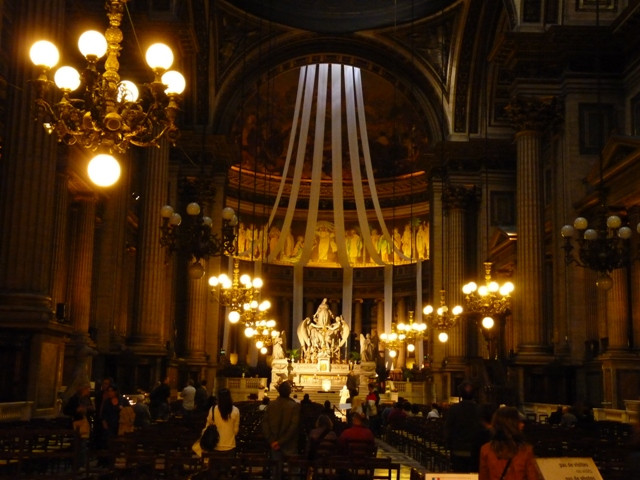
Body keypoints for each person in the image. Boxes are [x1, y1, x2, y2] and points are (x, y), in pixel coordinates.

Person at [479, 406, 542, 480]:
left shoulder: (486, 450)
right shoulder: (525, 451)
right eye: (519, 421)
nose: (522, 424)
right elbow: (533, 477)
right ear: (512, 425)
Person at [444, 380, 485, 473]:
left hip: (458, 449)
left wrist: (449, 445)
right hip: (475, 451)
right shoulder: (480, 410)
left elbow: (448, 429)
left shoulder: (454, 409)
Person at [262, 381, 301, 473]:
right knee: (293, 473)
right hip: (289, 445)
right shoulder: (294, 406)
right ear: (289, 392)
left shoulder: (271, 405)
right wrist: (280, 442)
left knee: (276, 472)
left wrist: (272, 441)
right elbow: (293, 427)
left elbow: (265, 424)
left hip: (274, 444)